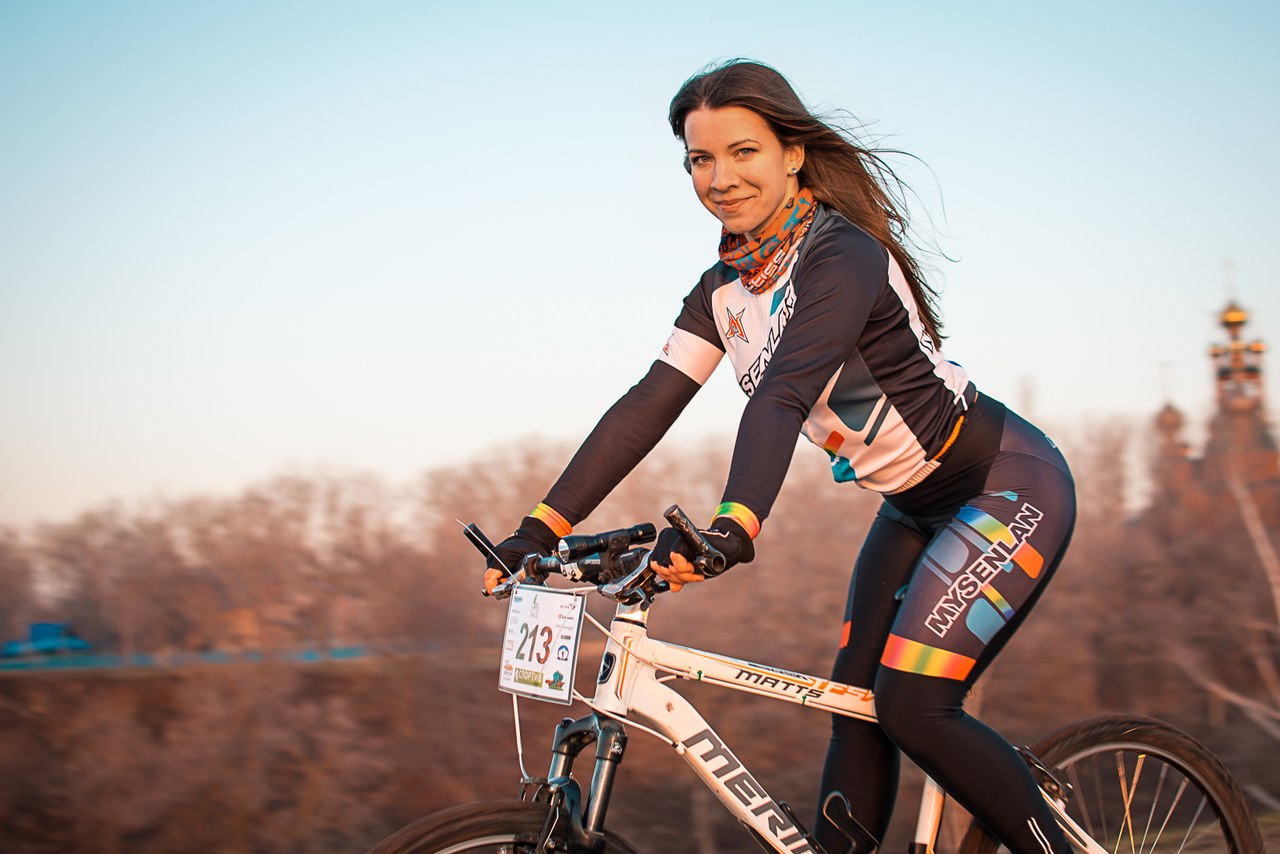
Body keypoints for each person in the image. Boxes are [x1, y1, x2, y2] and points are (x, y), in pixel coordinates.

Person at [482, 59, 1076, 854]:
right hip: (910, 509)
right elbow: (648, 404)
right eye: (700, 159)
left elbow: (782, 393)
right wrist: (538, 529)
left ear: (792, 153)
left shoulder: (842, 255)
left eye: (743, 152)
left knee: (913, 707)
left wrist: (735, 524)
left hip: (1002, 487)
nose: (720, 178)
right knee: (852, 707)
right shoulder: (722, 290)